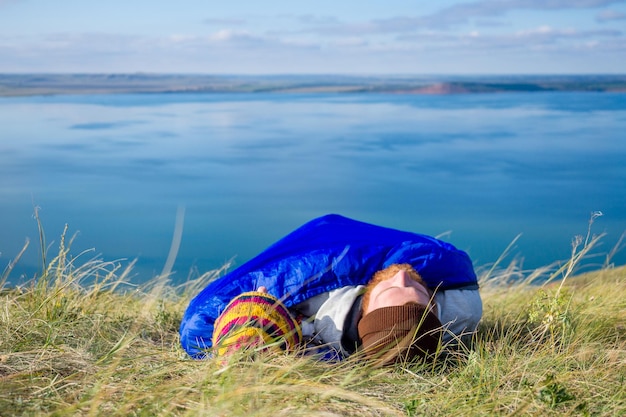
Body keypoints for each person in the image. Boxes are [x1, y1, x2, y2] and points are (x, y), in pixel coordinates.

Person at [179, 214, 482, 366]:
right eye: (419, 287)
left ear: (366, 306)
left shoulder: (322, 308)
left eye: (390, 289)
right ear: (433, 304)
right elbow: (450, 260)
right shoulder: (461, 310)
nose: (403, 276)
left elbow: (198, 324)